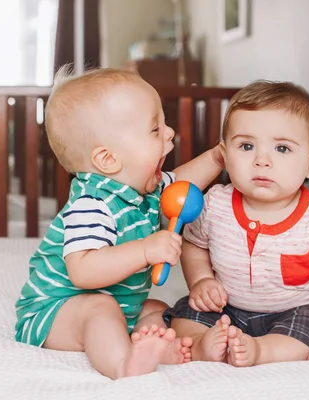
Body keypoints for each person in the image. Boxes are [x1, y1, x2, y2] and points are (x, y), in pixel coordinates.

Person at [14, 66, 224, 379]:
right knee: (100, 310)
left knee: (158, 310)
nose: (170, 133)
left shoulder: (143, 189)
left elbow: (180, 184)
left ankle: (159, 348)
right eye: (155, 129)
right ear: (108, 160)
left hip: (122, 307)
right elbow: (83, 270)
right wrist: (145, 250)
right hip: (54, 312)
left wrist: (217, 158)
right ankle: (123, 366)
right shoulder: (93, 204)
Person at [163, 80, 309, 367]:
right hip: (228, 307)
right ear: (224, 153)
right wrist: (202, 281)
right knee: (185, 314)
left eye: (282, 149)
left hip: (294, 310)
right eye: (246, 146)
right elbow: (194, 246)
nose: (261, 160)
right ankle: (201, 344)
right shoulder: (214, 204)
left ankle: (261, 351)